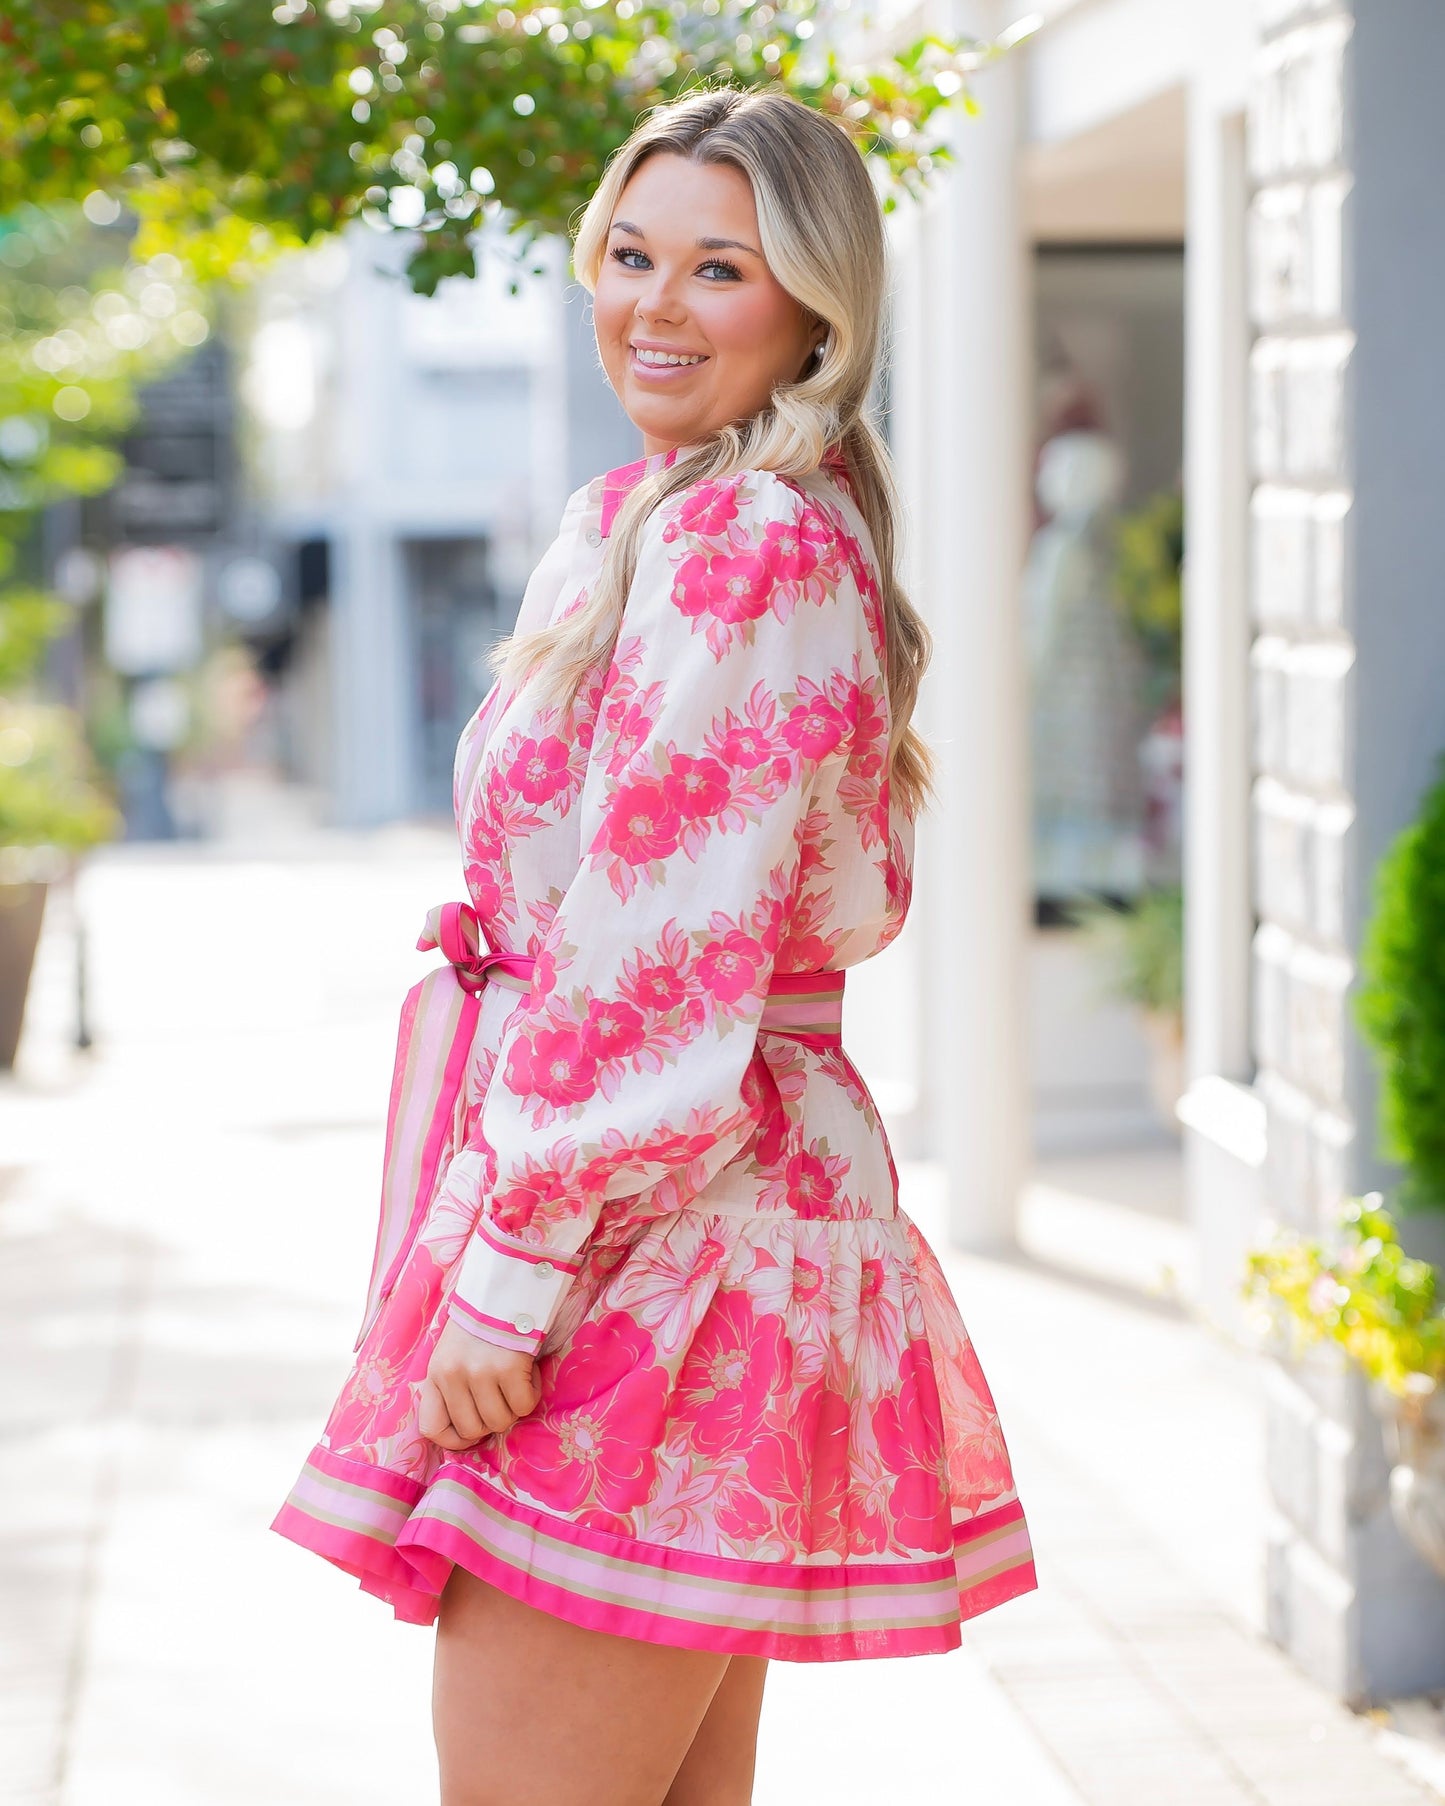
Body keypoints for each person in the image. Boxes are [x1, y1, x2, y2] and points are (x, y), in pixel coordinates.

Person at [271, 86, 1038, 1806]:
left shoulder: (741, 541)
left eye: (718, 269)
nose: (654, 306)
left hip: (658, 1230)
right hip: (699, 1212)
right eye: (630, 256)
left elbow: (656, 952)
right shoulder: (671, 516)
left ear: (814, 311)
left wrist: (511, 1267)